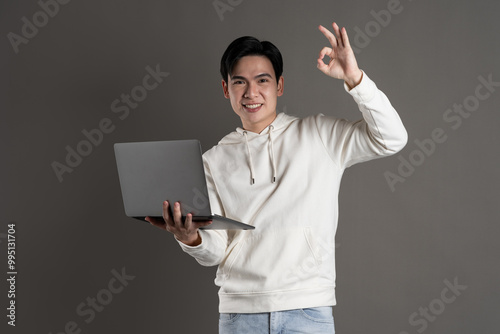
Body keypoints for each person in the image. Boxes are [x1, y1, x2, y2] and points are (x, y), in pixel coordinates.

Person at [146, 21, 408, 334]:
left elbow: (392, 138)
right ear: (226, 88)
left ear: (279, 86)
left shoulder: (319, 134)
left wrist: (355, 78)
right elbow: (215, 250)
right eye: (240, 82)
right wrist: (188, 237)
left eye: (262, 80)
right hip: (239, 316)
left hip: (308, 311)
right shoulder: (211, 162)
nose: (251, 92)